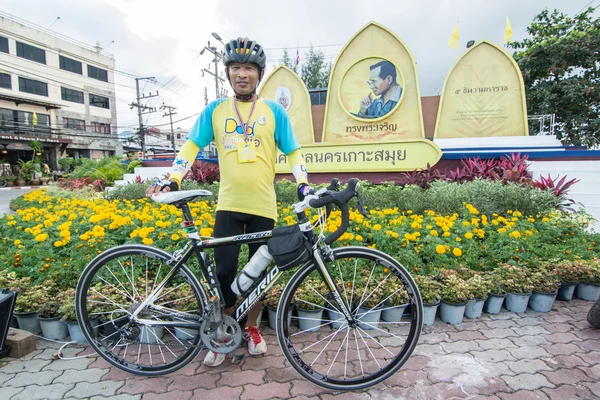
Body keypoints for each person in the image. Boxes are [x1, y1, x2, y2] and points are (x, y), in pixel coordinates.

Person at [146, 37, 313, 367]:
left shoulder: (273, 112)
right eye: (235, 67)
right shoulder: (216, 111)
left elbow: (293, 151)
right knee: (224, 273)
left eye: (248, 68)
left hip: (264, 206)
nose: (242, 74)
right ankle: (222, 333)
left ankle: (251, 329)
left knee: (260, 277)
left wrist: (304, 182)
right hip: (229, 206)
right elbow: (191, 145)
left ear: (259, 74)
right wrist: (174, 176)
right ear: (227, 73)